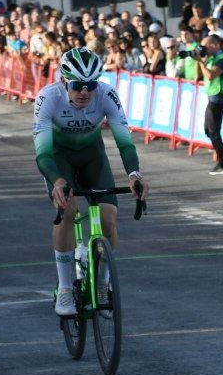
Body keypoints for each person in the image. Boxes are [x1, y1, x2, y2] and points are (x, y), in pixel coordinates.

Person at [35, 47, 148, 318]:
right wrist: (57, 181)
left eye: (91, 84)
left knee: (109, 218)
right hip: (59, 158)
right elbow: (43, 153)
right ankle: (64, 288)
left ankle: (102, 282)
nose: (84, 91)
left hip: (91, 157)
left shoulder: (107, 95)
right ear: (64, 81)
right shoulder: (47, 98)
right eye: (77, 85)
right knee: (68, 209)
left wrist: (134, 174)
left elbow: (124, 140)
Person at [200, 35, 223, 174]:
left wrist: (201, 63)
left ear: (214, 45)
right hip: (212, 99)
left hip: (218, 100)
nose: (203, 50)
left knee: (213, 132)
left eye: (205, 46)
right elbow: (201, 75)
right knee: (209, 130)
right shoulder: (211, 59)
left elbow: (210, 75)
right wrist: (202, 60)